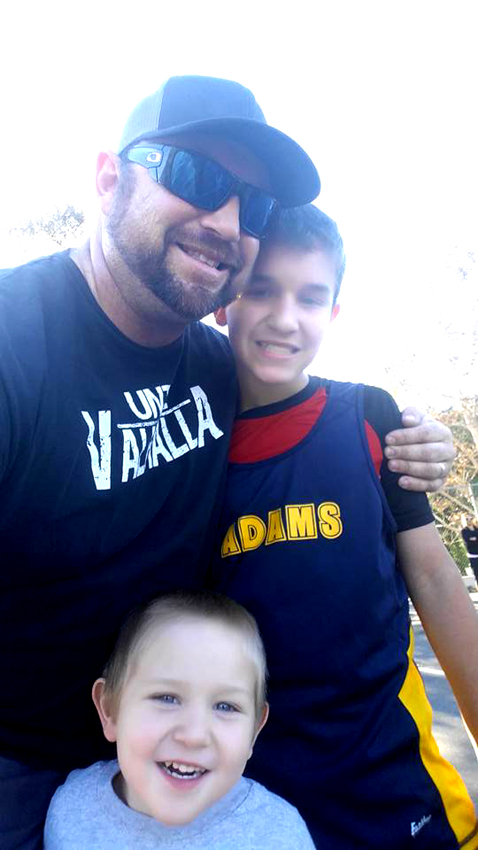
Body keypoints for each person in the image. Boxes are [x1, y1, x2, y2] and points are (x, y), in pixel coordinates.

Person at [0, 75, 454, 850]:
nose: (226, 221)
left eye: (255, 205)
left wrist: (414, 437)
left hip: (192, 762)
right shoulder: (17, 342)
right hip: (23, 772)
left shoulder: (219, 369)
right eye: (195, 175)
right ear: (108, 178)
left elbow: (313, 403)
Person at [212, 204, 478, 850]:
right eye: (262, 289)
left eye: (310, 297)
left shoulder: (368, 416)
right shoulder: (190, 445)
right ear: (224, 303)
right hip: (254, 809)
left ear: (333, 313)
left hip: (399, 791)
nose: (285, 317)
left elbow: (435, 580)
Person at [44, 591, 315, 849]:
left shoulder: (279, 836)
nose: (194, 735)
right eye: (167, 698)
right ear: (110, 711)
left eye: (225, 706)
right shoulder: (72, 811)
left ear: (253, 732)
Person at [462, 517, 478, 582]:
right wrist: (473, 538)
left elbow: (472, 539)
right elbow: (467, 540)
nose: (469, 520)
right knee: (477, 574)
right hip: (473, 556)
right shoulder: (464, 531)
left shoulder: (476, 529)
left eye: (470, 519)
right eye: (467, 519)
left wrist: (473, 538)